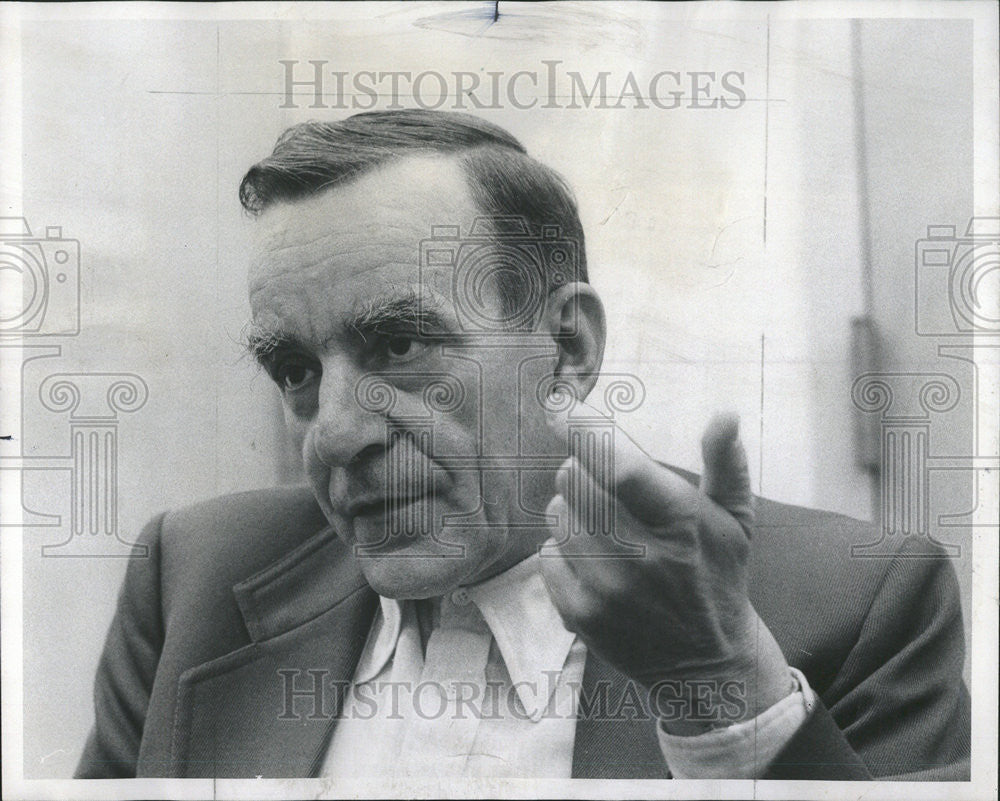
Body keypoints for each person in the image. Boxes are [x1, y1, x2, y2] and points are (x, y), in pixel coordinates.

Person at [76, 109, 970, 780]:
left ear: (568, 349)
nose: (336, 433)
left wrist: (723, 685)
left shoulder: (858, 601)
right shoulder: (189, 577)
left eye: (400, 344)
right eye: (298, 370)